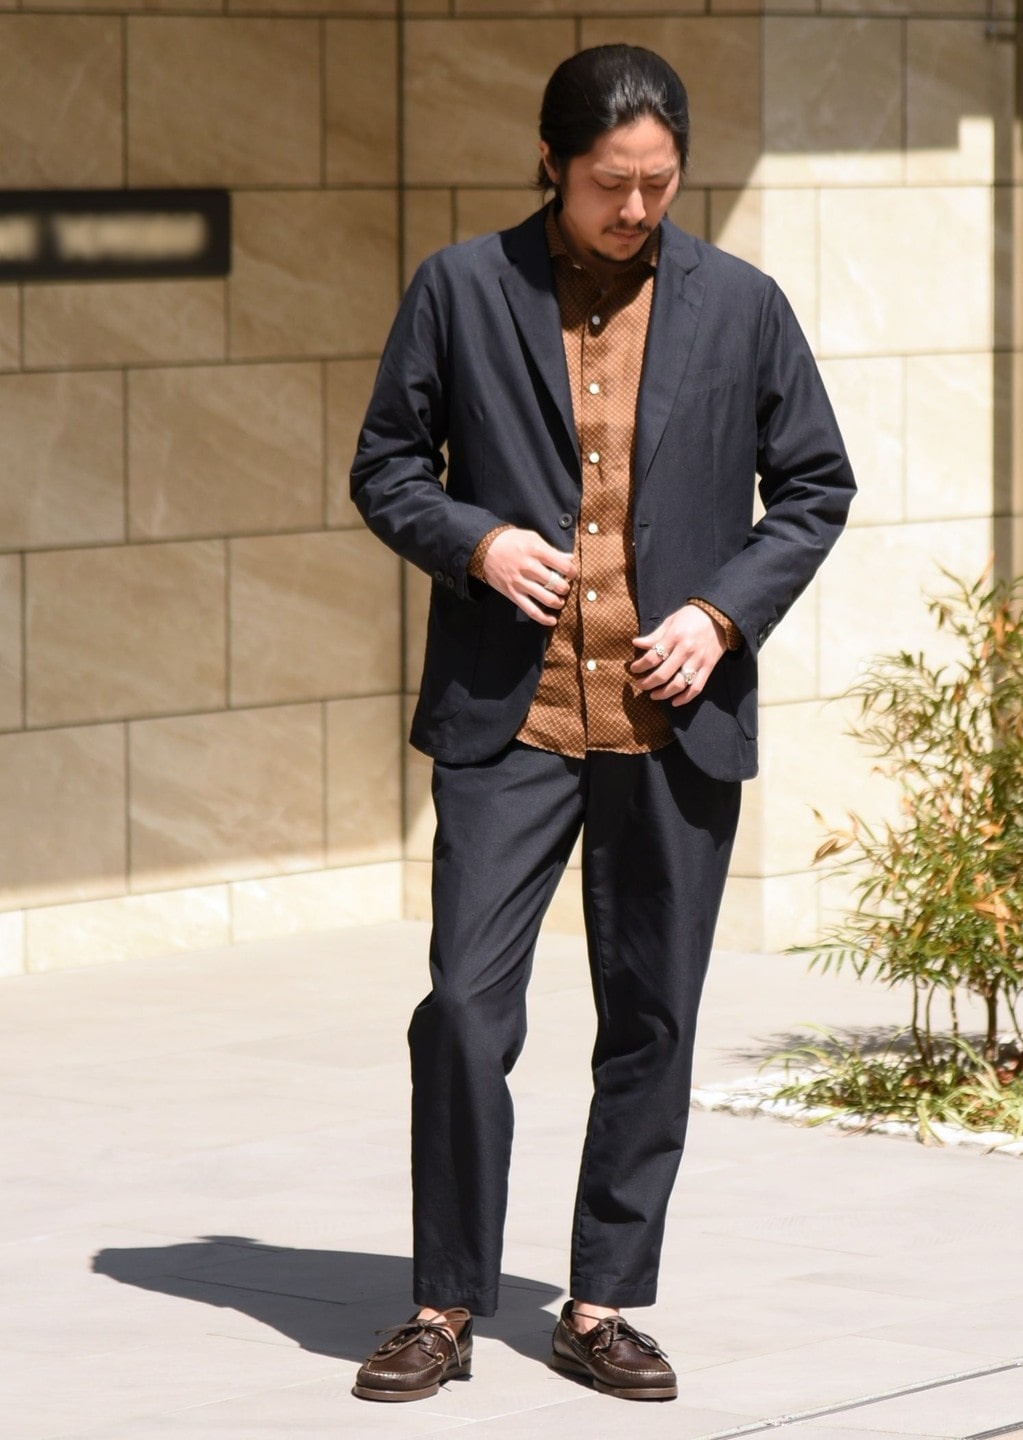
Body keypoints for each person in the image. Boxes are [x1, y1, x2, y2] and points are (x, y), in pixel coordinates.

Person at [348, 43, 855, 1405]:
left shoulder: (742, 304)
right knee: (464, 1011)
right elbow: (386, 467)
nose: (636, 209)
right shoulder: (461, 289)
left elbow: (814, 484)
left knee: (653, 1020)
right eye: (609, 184)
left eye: (658, 183)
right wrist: (476, 541)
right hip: (509, 720)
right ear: (551, 165)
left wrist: (723, 616)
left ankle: (603, 1303)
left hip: (671, 722)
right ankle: (444, 1304)